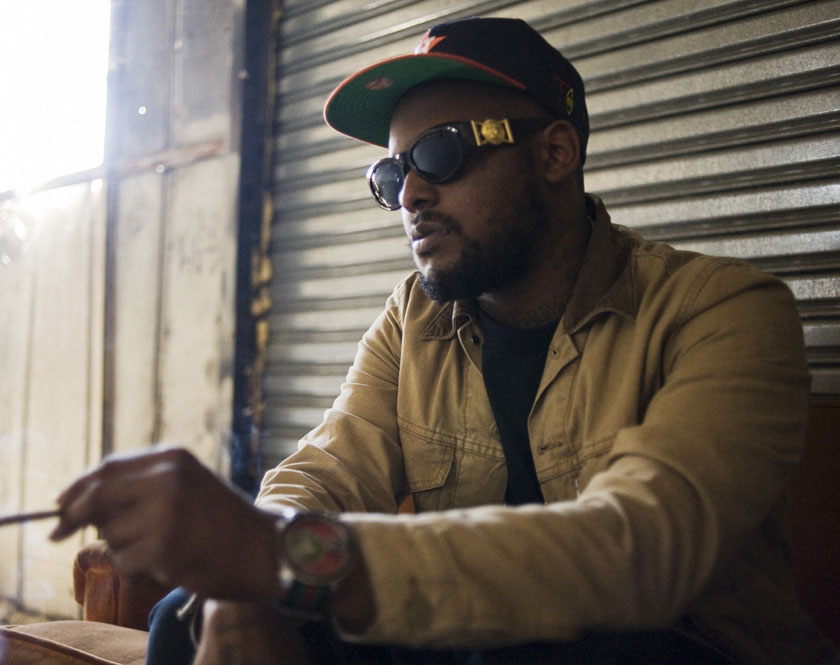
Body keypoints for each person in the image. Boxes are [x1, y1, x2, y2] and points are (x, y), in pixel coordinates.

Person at [50, 17, 840, 665]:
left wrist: (279, 556)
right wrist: (245, 579)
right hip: (477, 640)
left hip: (676, 647)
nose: (412, 196)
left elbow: (642, 551)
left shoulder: (725, 311)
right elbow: (327, 469)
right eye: (393, 176)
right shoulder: (414, 319)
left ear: (554, 152)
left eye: (441, 152)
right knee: (183, 622)